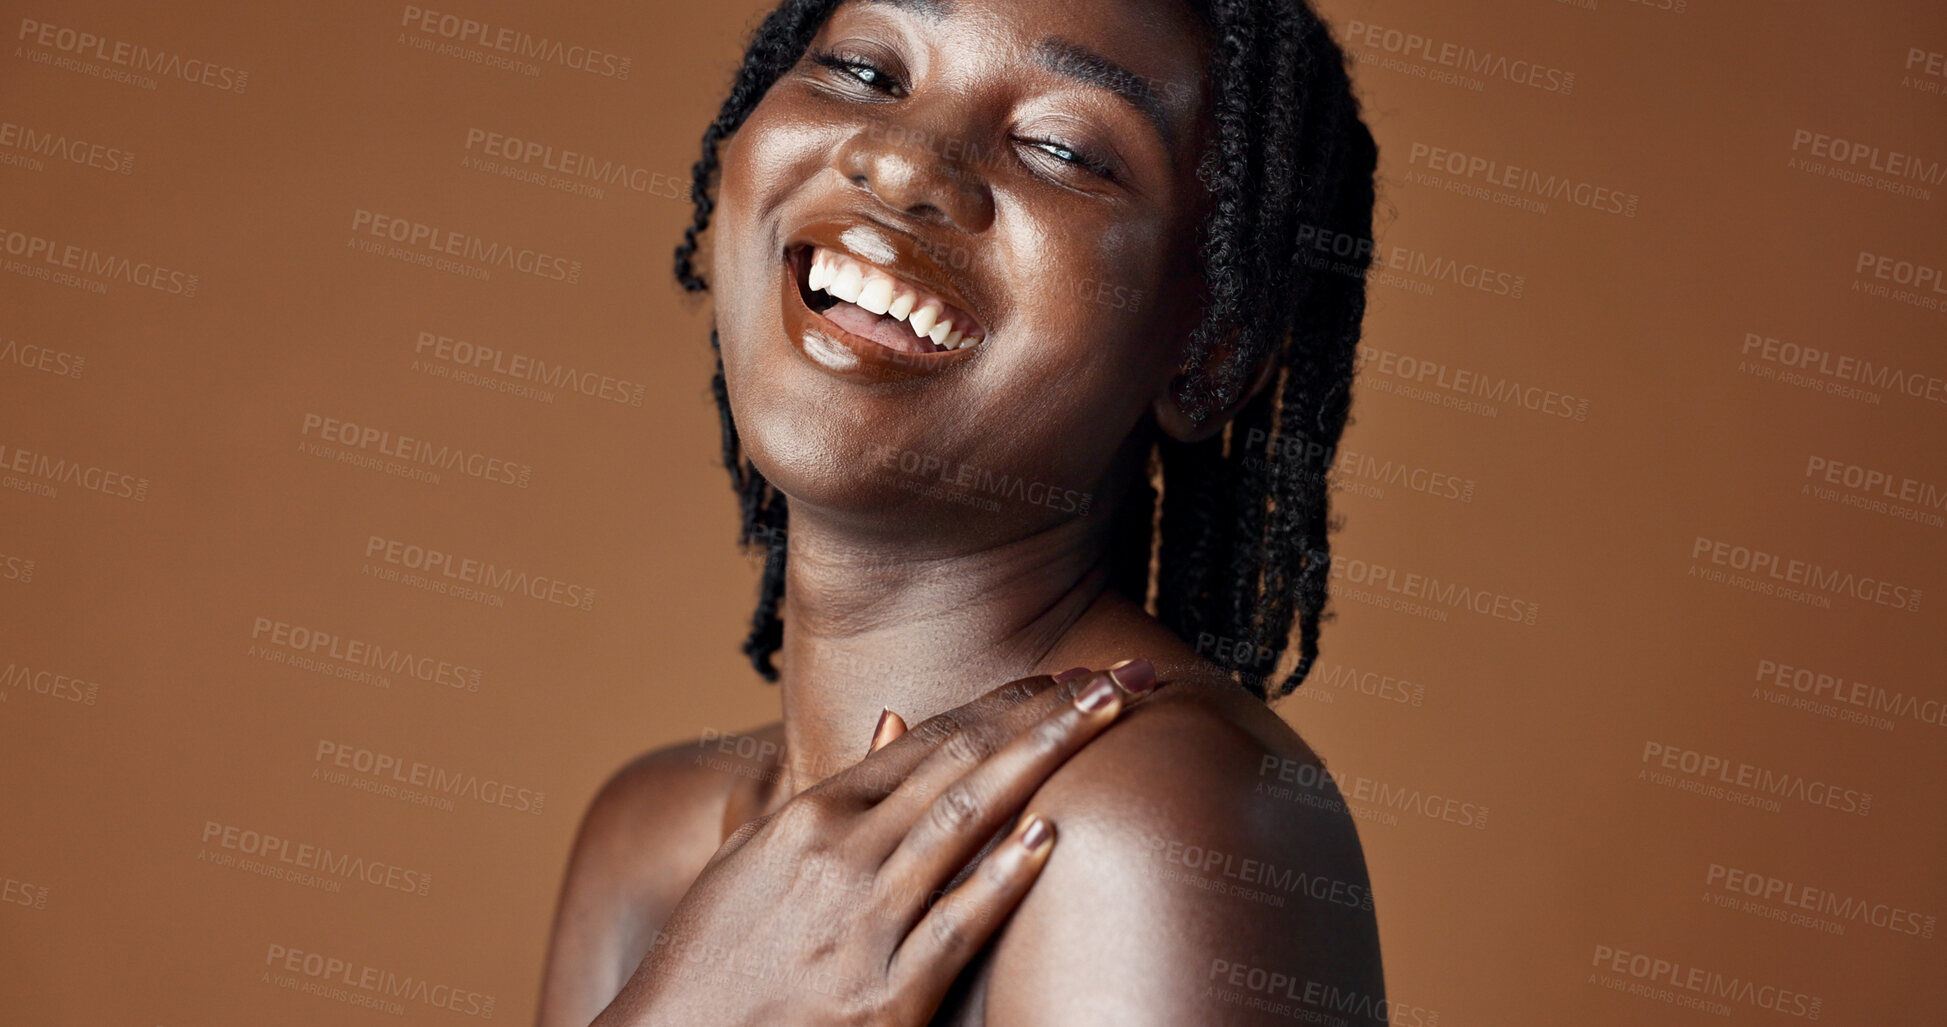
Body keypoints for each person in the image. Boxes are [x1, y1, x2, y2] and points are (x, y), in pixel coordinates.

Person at [539, 0, 1384, 1021]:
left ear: (1209, 356)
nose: (902, 163)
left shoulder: (1156, 824)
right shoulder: (649, 836)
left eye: (1061, 146)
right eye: (863, 70)